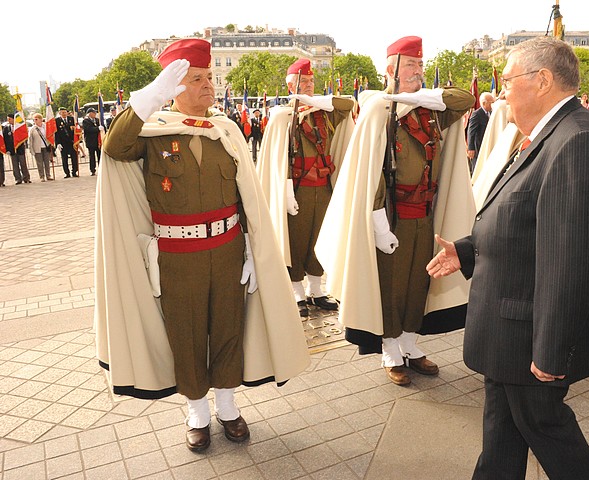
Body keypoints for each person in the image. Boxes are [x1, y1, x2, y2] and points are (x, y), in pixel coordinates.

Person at [97, 38, 309, 452]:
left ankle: (228, 407)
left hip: (228, 248)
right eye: (196, 79)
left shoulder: (225, 130)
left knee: (228, 328)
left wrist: (251, 247)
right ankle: (196, 410)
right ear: (172, 87)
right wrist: (147, 99)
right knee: (187, 332)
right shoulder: (151, 131)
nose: (208, 85)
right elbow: (114, 146)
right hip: (177, 256)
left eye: (209, 77)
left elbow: (245, 195)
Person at [426, 36, 589, 480]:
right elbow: (526, 221)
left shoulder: (576, 143)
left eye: (509, 80)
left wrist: (550, 351)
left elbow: (569, 258)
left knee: (547, 430)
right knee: (501, 433)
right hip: (509, 329)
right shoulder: (548, 135)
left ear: (543, 80)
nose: (503, 91)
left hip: (531, 334)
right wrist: (469, 251)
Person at [315, 36, 476, 386]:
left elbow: (465, 100)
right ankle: (390, 349)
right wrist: (377, 223)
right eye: (410, 65)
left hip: (426, 213)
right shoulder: (380, 109)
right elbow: (371, 170)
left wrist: (420, 95)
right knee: (392, 285)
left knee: (420, 281)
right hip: (393, 215)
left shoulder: (428, 108)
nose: (418, 71)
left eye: (420, 65)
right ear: (391, 70)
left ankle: (410, 344)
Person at [256, 58, 355, 317]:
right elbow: (278, 159)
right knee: (296, 240)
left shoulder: (325, 112)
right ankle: (297, 291)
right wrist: (285, 186)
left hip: (322, 185)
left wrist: (318, 102)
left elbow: (349, 105)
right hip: (296, 188)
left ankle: (316, 289)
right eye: (303, 82)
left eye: (311, 81)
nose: (309, 85)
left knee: (318, 236)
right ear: (291, 87)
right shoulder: (282, 116)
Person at [466, 91, 495, 172]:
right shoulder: (477, 114)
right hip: (478, 146)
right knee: (477, 167)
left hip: (487, 144)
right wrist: (471, 148)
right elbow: (471, 131)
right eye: (491, 102)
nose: (493, 104)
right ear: (484, 103)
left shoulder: (491, 113)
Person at [2, 114, 31, 184]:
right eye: (7, 119)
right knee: (15, 165)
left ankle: (26, 178)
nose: (8, 121)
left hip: (20, 148)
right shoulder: (6, 128)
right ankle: (18, 179)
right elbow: (5, 140)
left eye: (9, 119)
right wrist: (7, 150)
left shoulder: (19, 127)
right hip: (12, 150)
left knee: (23, 164)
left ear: (13, 119)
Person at [28, 113, 54, 181]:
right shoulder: (32, 129)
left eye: (36, 119)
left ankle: (48, 175)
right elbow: (30, 140)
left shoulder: (46, 126)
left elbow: (51, 135)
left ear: (41, 119)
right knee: (39, 163)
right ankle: (41, 176)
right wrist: (31, 149)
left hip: (46, 147)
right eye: (34, 119)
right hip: (37, 148)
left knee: (47, 162)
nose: (35, 121)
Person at [55, 107, 79, 177]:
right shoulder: (57, 121)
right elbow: (56, 133)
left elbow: (76, 129)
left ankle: (74, 171)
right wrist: (58, 143)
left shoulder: (71, 119)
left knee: (74, 157)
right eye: (62, 112)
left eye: (65, 112)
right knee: (64, 158)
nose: (64, 114)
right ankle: (67, 173)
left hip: (72, 142)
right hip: (63, 142)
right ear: (59, 113)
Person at [82, 108, 101, 175]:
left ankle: (101, 168)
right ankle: (92, 170)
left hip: (98, 141)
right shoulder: (85, 121)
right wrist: (97, 128)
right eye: (93, 113)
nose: (95, 114)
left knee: (100, 156)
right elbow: (88, 129)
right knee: (92, 156)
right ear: (90, 113)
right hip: (90, 141)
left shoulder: (97, 120)